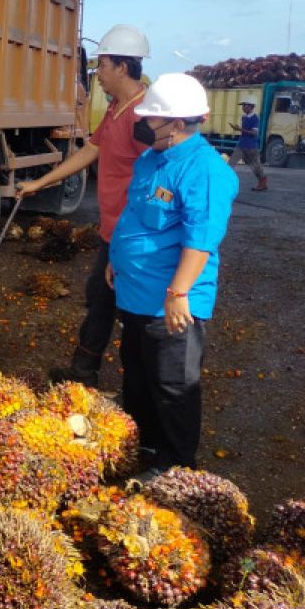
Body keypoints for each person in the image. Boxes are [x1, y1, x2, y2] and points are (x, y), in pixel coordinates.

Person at [107, 73, 238, 477]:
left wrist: (179, 292)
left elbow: (200, 241)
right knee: (139, 378)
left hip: (171, 302)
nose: (143, 125)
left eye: (151, 120)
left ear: (177, 124)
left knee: (173, 387)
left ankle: (176, 465)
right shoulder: (151, 160)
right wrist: (117, 258)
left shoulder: (206, 171)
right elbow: (135, 215)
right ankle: (143, 447)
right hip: (134, 293)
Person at [15, 24, 151, 387]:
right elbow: (93, 150)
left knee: (135, 314)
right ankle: (83, 371)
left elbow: (157, 179)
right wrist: (40, 183)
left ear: (122, 67)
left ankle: (140, 393)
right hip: (112, 231)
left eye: (102, 66)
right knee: (99, 298)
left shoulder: (145, 116)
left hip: (134, 234)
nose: (98, 75)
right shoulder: (115, 108)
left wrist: (136, 234)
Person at [227, 99, 268, 191]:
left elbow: (254, 133)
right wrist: (239, 129)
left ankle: (262, 182)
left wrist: (240, 130)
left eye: (244, 105)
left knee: (255, 166)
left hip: (251, 146)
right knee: (231, 163)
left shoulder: (255, 118)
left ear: (251, 106)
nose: (243, 107)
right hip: (242, 145)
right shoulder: (244, 117)